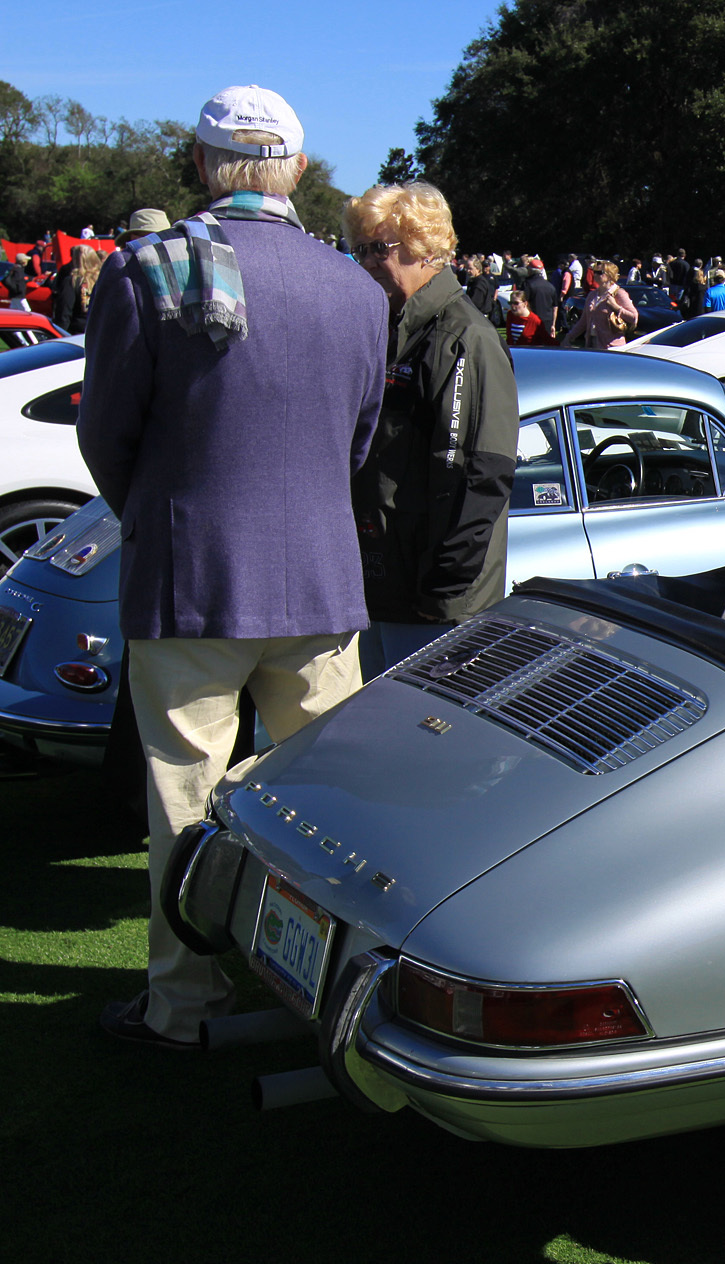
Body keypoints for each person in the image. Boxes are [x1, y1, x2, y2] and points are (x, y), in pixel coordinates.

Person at [78, 85, 387, 1049]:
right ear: (295, 168)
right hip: (321, 582)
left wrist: (164, 512)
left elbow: (107, 435)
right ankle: (330, 993)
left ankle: (183, 1004)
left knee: (183, 798)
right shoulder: (354, 286)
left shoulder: (145, 270)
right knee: (329, 812)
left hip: (191, 579)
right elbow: (358, 441)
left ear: (206, 165)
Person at [344, 181, 517, 676]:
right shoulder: (391, 328)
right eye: (361, 251)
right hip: (384, 588)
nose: (369, 262)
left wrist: (442, 586)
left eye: (380, 248)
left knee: (418, 741)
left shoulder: (464, 337)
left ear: (424, 247)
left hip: (434, 604)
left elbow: (482, 474)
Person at [562, 260, 638, 348]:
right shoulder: (592, 295)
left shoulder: (619, 293)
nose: (595, 275)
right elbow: (583, 321)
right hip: (592, 344)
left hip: (613, 347)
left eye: (599, 272)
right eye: (594, 272)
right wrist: (569, 336)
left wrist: (616, 307)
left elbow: (634, 317)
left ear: (610, 275)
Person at [51, 244, 101, 332]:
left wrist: (60, 335)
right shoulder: (104, 279)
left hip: (78, 334)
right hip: (101, 332)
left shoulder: (72, 281)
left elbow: (64, 312)